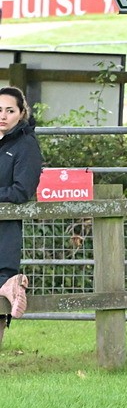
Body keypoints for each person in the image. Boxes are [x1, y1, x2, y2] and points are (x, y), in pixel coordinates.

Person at [0, 87, 44, 322]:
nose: (3, 116)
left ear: (21, 113)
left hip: (5, 232)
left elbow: (22, 190)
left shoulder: (25, 145)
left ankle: (12, 284)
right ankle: (12, 285)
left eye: (10, 110)